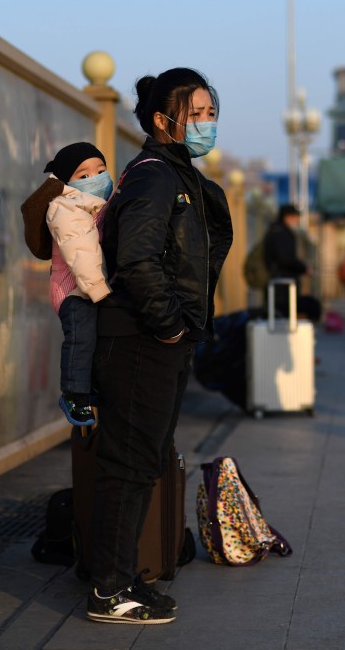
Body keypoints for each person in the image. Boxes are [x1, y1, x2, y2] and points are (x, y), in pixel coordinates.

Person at [89, 67, 232, 624]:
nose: (206, 123)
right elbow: (137, 259)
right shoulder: (155, 177)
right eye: (194, 114)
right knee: (127, 463)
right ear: (161, 120)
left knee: (145, 460)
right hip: (141, 340)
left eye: (209, 112)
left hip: (159, 340)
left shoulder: (178, 176)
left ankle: (124, 578)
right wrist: (170, 325)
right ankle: (107, 590)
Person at [21, 142, 115, 426]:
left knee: (100, 336)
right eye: (83, 175)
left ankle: (91, 387)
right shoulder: (66, 207)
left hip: (91, 286)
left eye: (101, 170)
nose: (95, 178)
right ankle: (74, 394)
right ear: (67, 182)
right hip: (73, 290)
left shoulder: (97, 204)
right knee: (81, 337)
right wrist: (100, 291)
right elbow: (81, 254)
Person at [262, 204, 322, 321]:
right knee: (284, 318)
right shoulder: (281, 233)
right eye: (295, 216)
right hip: (282, 286)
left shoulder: (276, 231)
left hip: (279, 284)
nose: (297, 220)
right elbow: (285, 259)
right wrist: (303, 268)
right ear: (287, 217)